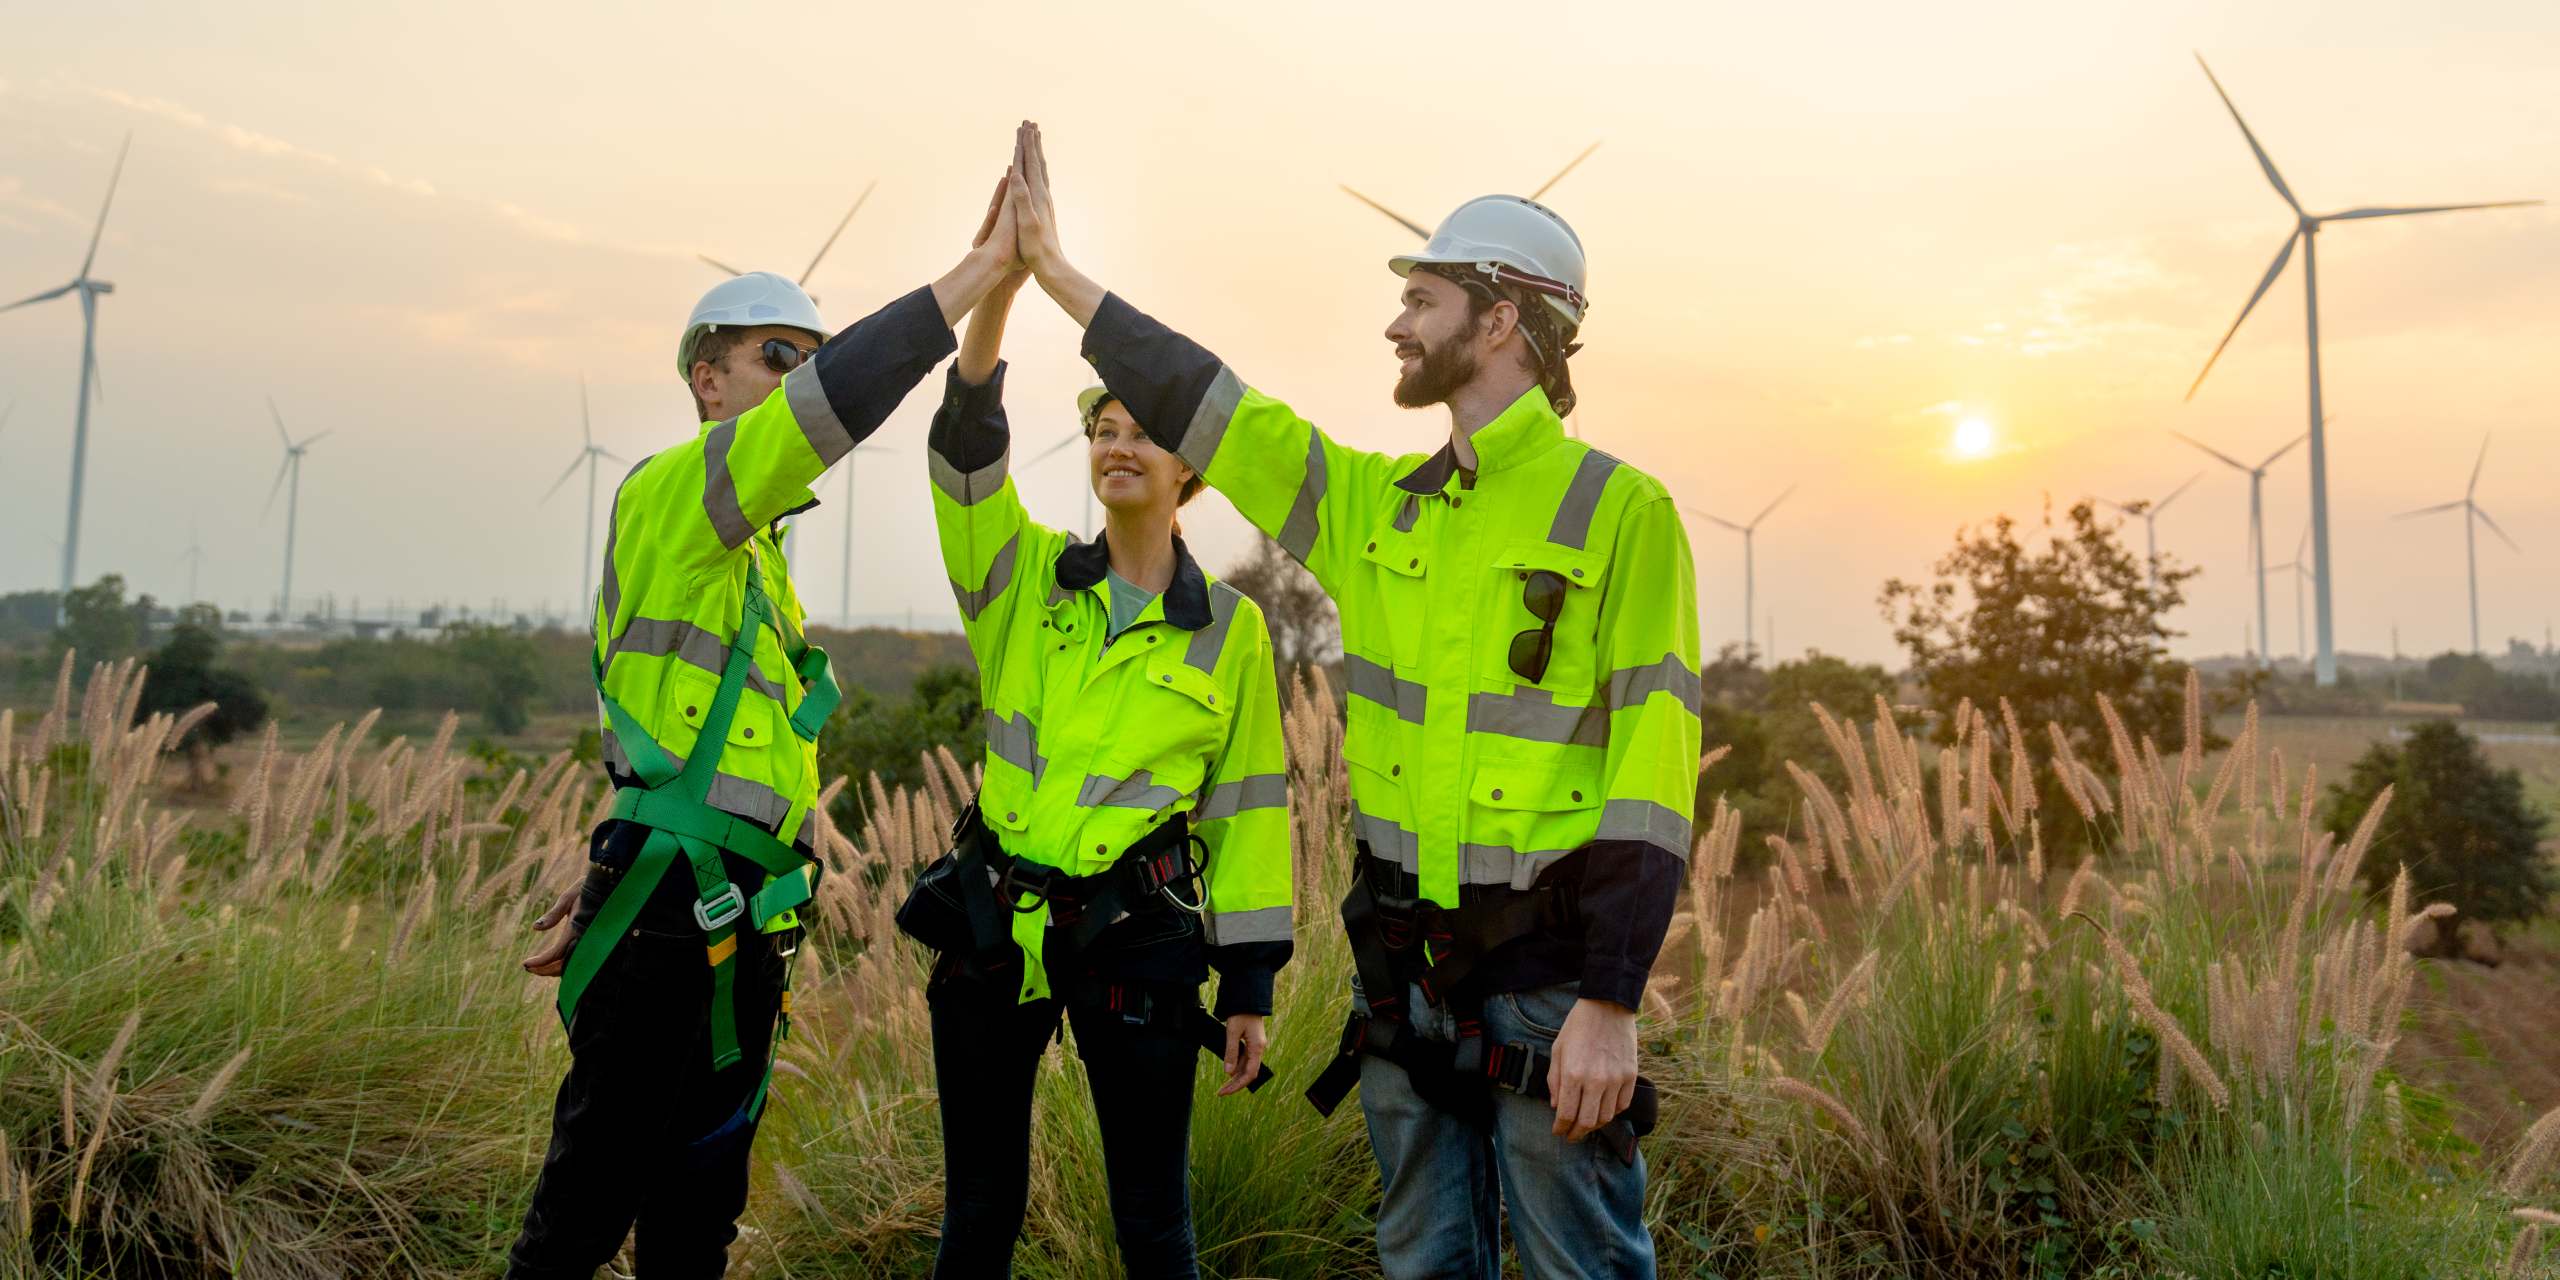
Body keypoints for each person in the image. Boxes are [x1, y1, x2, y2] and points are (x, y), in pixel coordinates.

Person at [1000, 123, 1700, 1278]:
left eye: (1420, 300)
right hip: (1403, 988)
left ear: (1500, 318)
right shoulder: (1375, 507)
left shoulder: (1622, 513)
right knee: (1421, 1264)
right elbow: (1213, 402)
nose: (1394, 322)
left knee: (1586, 1268)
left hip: (1548, 997)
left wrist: (1611, 1003)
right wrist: (1063, 278)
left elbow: (1651, 776)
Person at [505, 180, 1027, 1278]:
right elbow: (840, 400)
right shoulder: (674, 492)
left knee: (697, 1212)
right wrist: (972, 280)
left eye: (807, 356)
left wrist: (622, 833)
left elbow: (686, 733)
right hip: (665, 908)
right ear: (708, 377)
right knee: (590, 1198)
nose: (800, 379)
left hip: (728, 910)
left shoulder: (753, 562)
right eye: (777, 358)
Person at [896, 218, 1295, 1278]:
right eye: (1103, 426)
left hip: (1142, 941)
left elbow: (1248, 804)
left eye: (1145, 429)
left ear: (1190, 470)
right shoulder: (1018, 579)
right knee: (979, 1209)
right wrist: (999, 288)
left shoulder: (1232, 630)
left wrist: (1247, 983)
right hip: (996, 920)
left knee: (1153, 1224)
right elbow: (966, 453)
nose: (1119, 443)